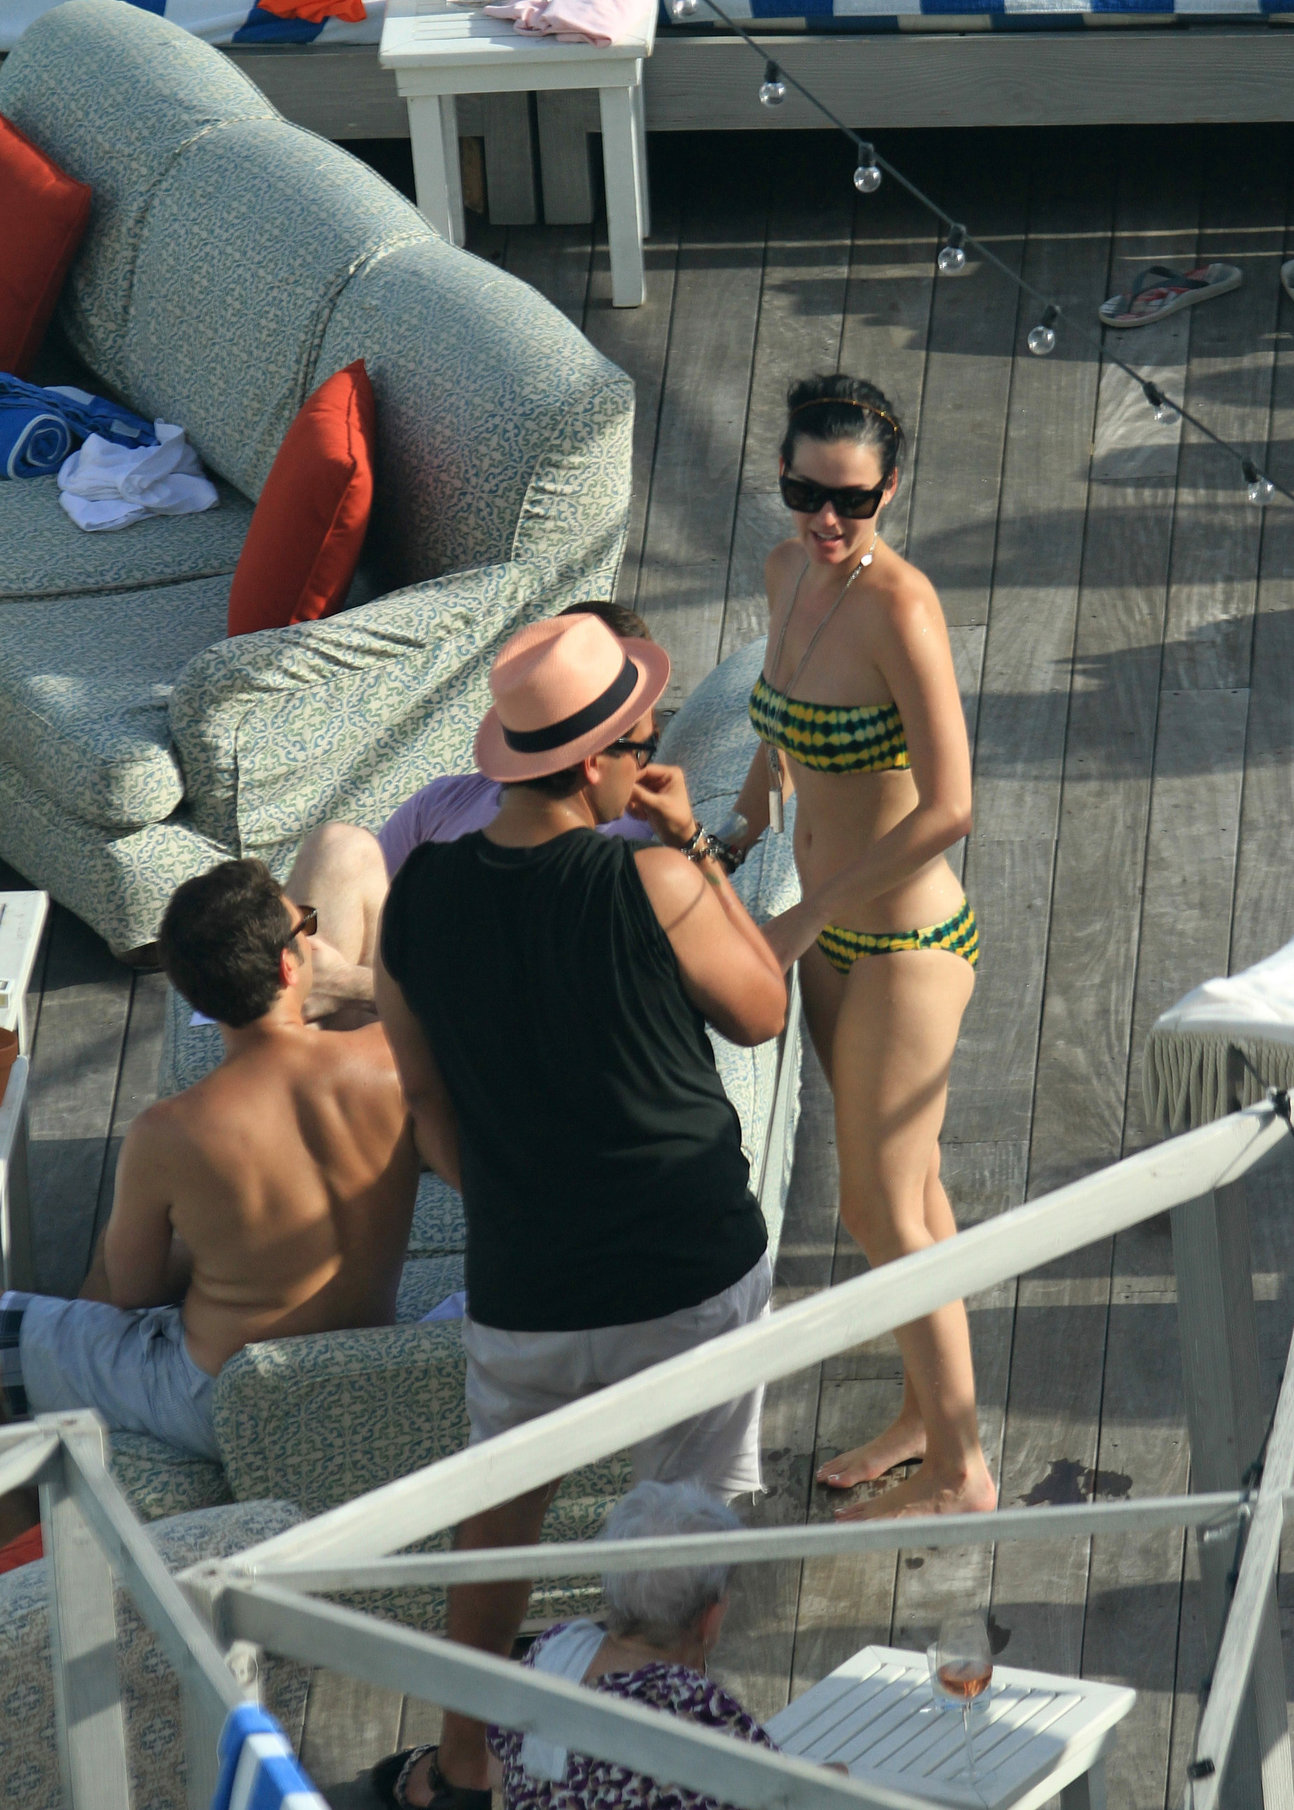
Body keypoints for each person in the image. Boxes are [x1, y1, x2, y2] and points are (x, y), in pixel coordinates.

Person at [371, 610, 788, 1810]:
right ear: (598, 761)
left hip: (528, 1282)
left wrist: (520, 1193)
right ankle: (671, 1770)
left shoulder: (417, 896)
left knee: (497, 1528)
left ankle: (461, 1769)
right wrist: (691, 840)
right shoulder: (650, 874)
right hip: (690, 1268)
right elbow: (760, 1007)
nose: (650, 761)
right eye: (643, 743)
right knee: (679, 1541)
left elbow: (426, 1106)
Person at [731, 373, 995, 1523]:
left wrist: (800, 914)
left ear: (890, 491)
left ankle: (959, 1474)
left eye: (851, 501)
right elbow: (777, 716)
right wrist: (742, 820)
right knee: (911, 1195)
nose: (826, 521)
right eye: (805, 493)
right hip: (836, 939)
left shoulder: (902, 609)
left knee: (880, 1209)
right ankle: (926, 1416)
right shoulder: (786, 571)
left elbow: (951, 806)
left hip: (905, 943)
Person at [0, 860, 419, 1516]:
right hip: (354, 1371)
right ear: (288, 967)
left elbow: (131, 1291)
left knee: (12, 1330)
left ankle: (27, 1542)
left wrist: (223, 1240)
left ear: (193, 995)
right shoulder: (394, 1061)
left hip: (220, 1399)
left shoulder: (169, 1132)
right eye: (307, 928)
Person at [284, 602, 657, 1027]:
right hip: (380, 1025)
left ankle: (288, 1040)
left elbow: (531, 997)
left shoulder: (627, 837)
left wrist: (352, 984)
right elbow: (352, 918)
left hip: (462, 1044)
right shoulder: (443, 801)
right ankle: (290, 1040)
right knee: (338, 847)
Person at [374, 1481, 782, 1810]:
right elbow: (783, 1793)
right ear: (709, 1617)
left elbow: (502, 1748)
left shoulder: (556, 1648)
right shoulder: (702, 1709)